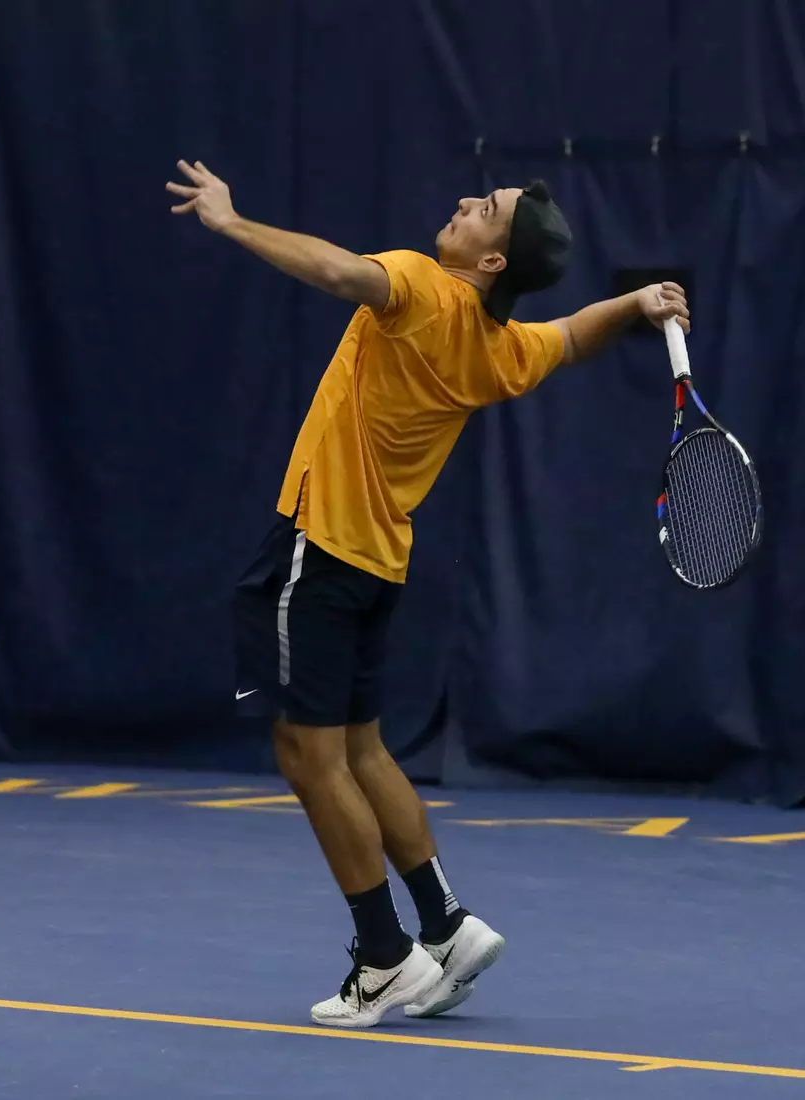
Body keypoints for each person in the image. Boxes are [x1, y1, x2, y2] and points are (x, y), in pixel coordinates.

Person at [167, 159, 689, 1028]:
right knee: (363, 751)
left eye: (484, 208)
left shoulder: (418, 283)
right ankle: (444, 924)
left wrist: (230, 221)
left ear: (492, 260)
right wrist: (634, 304)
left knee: (309, 758)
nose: (463, 203)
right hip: (377, 565)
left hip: (319, 548)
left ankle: (384, 957)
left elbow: (340, 272)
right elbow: (570, 335)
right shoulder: (501, 351)